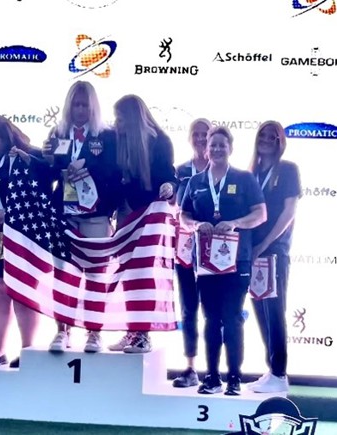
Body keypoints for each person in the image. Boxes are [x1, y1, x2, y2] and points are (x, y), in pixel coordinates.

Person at [181, 125, 267, 395]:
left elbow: (261, 214)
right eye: (213, 145)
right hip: (206, 262)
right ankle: (212, 377)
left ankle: (234, 378)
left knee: (232, 318)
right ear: (206, 149)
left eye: (222, 144)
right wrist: (196, 225)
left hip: (237, 261)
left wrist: (235, 223)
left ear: (231, 148)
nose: (217, 149)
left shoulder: (244, 178)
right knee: (210, 318)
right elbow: (184, 216)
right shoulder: (195, 182)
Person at [42, 81, 122, 353]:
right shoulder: (58, 133)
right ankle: (62, 330)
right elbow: (49, 176)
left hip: (95, 215)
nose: (79, 110)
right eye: (75, 104)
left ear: (93, 106)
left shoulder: (107, 135)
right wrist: (49, 162)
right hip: (64, 214)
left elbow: (114, 174)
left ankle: (94, 332)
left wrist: (88, 172)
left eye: (84, 105)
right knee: (63, 273)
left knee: (96, 274)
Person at [107, 94, 177, 353]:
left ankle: (143, 334)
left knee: (144, 273)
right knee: (127, 272)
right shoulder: (117, 141)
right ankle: (132, 330)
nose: (117, 123)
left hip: (149, 214)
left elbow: (169, 175)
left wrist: (169, 186)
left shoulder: (160, 142)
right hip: (124, 213)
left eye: (121, 118)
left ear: (133, 119)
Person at [0, 115, 41, 368]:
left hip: (21, 232)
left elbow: (39, 194)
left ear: (6, 138)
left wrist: (11, 211)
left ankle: (28, 350)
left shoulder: (28, 156)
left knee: (22, 290)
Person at [247, 121, 301, 393]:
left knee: (275, 310)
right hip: (252, 251)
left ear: (280, 142)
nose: (266, 140)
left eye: (273, 136)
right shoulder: (251, 173)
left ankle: (279, 372)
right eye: (263, 135)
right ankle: (272, 370)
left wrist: (266, 243)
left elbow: (289, 212)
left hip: (274, 250)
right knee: (260, 309)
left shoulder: (288, 169)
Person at [172, 118, 210, 388]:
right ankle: (190, 367)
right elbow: (174, 205)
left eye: (204, 134)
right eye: (195, 133)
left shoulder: (223, 170)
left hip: (213, 249)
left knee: (213, 310)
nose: (200, 138)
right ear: (189, 137)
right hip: (184, 248)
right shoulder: (180, 171)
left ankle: (214, 369)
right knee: (188, 309)